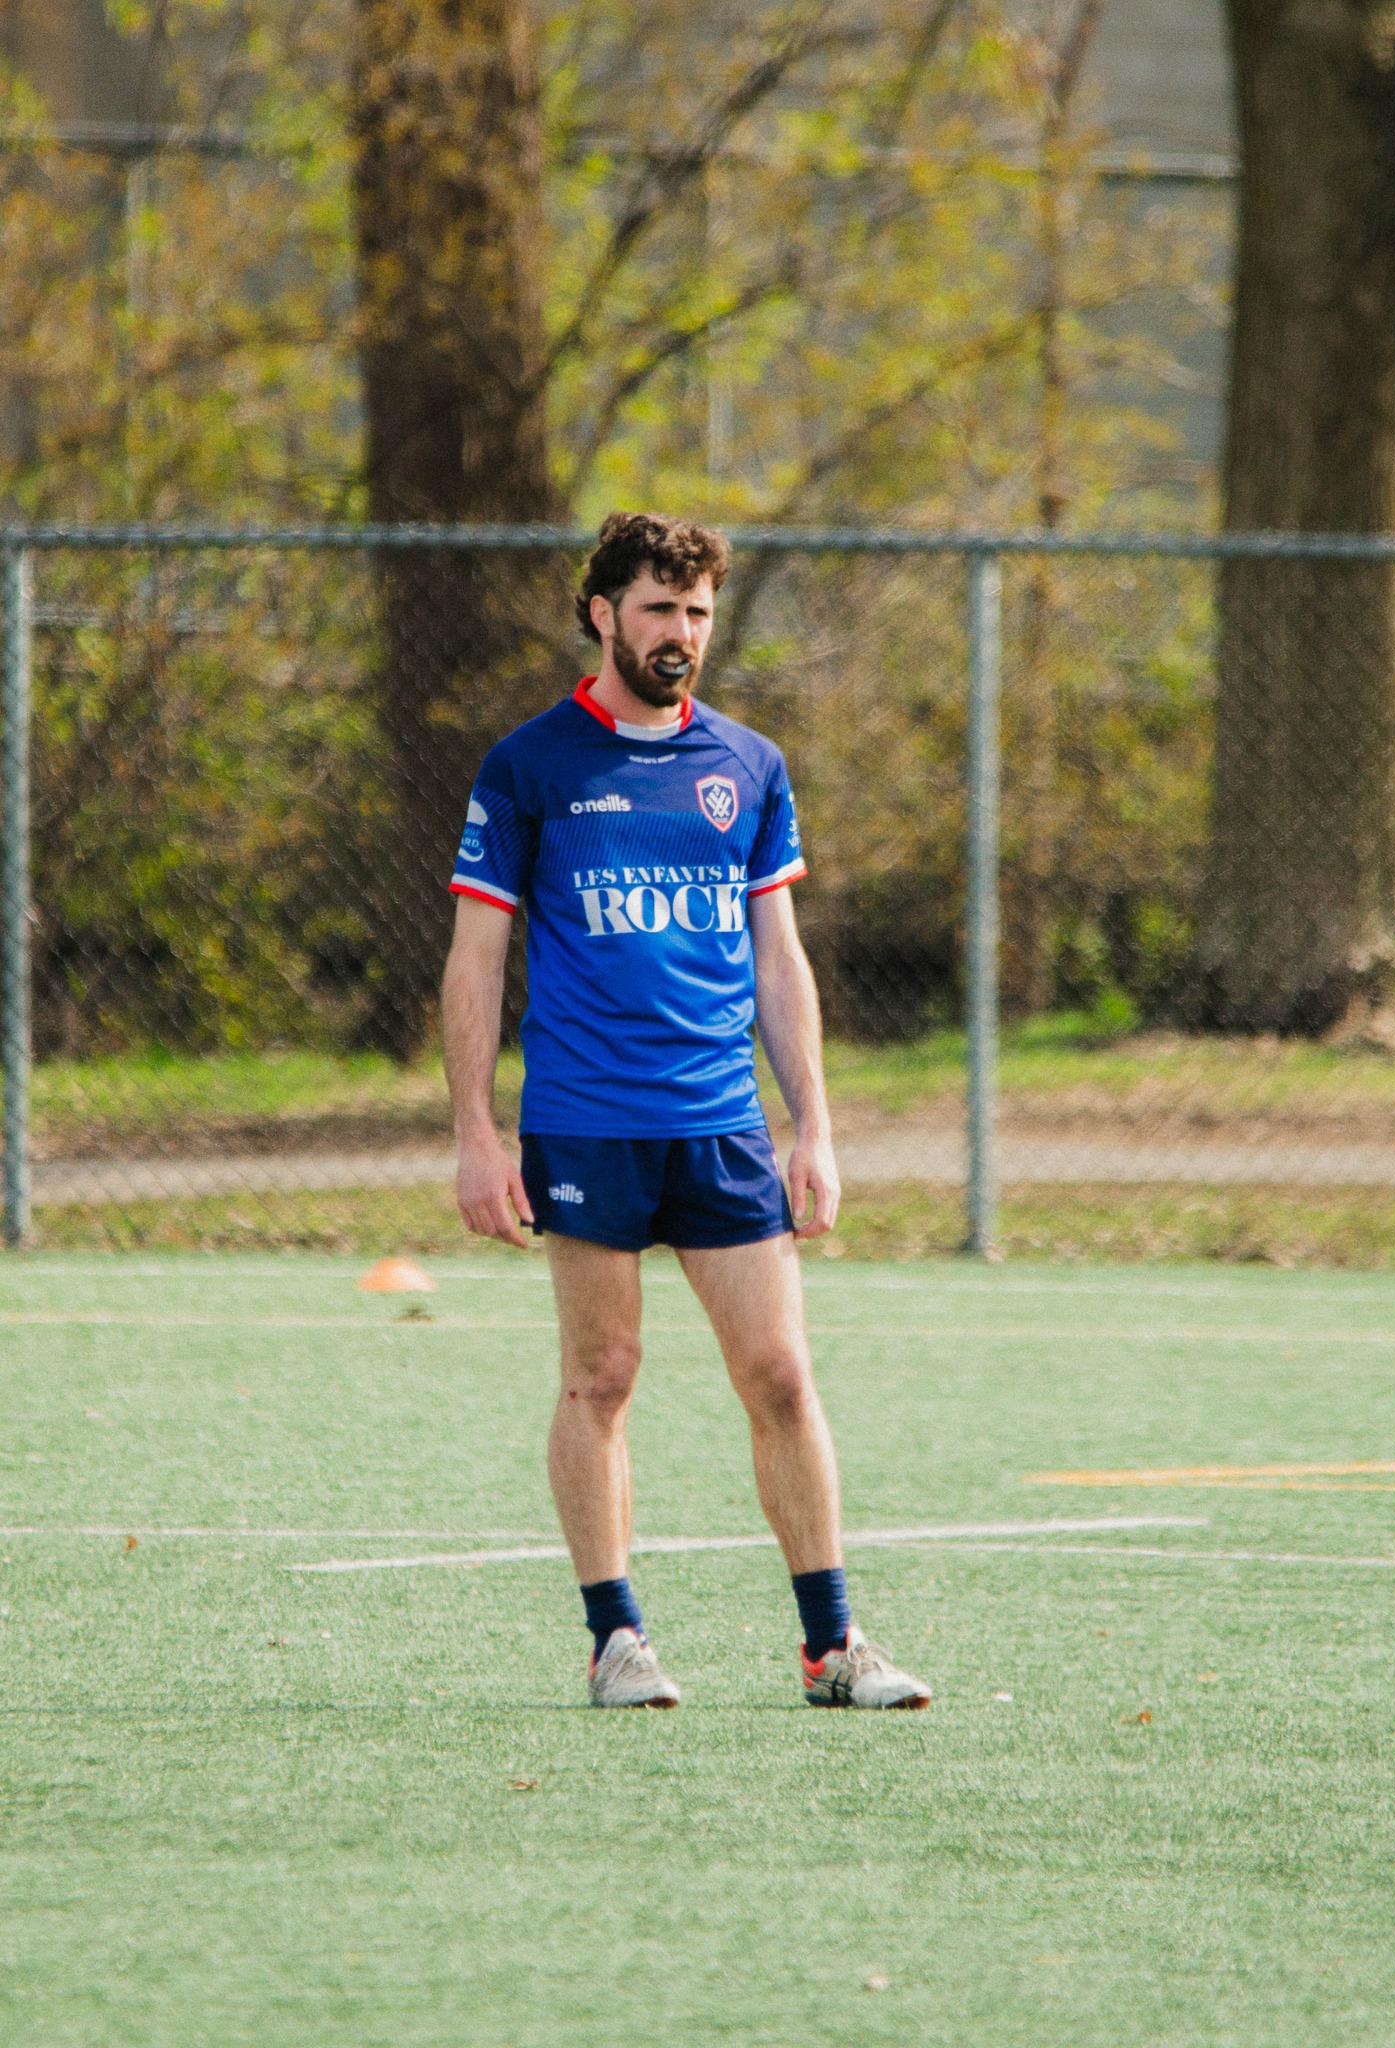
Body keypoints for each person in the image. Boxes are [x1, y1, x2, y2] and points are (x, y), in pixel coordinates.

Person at [441, 511, 930, 1711]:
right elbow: (475, 957)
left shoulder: (748, 766)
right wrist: (475, 1133)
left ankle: (831, 1646)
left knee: (779, 1372)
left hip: (721, 1123)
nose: (681, 632)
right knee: (602, 1373)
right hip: (586, 1120)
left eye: (697, 611)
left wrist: (814, 1127)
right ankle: (616, 1640)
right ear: (602, 613)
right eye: (658, 607)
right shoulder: (529, 766)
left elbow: (779, 958)